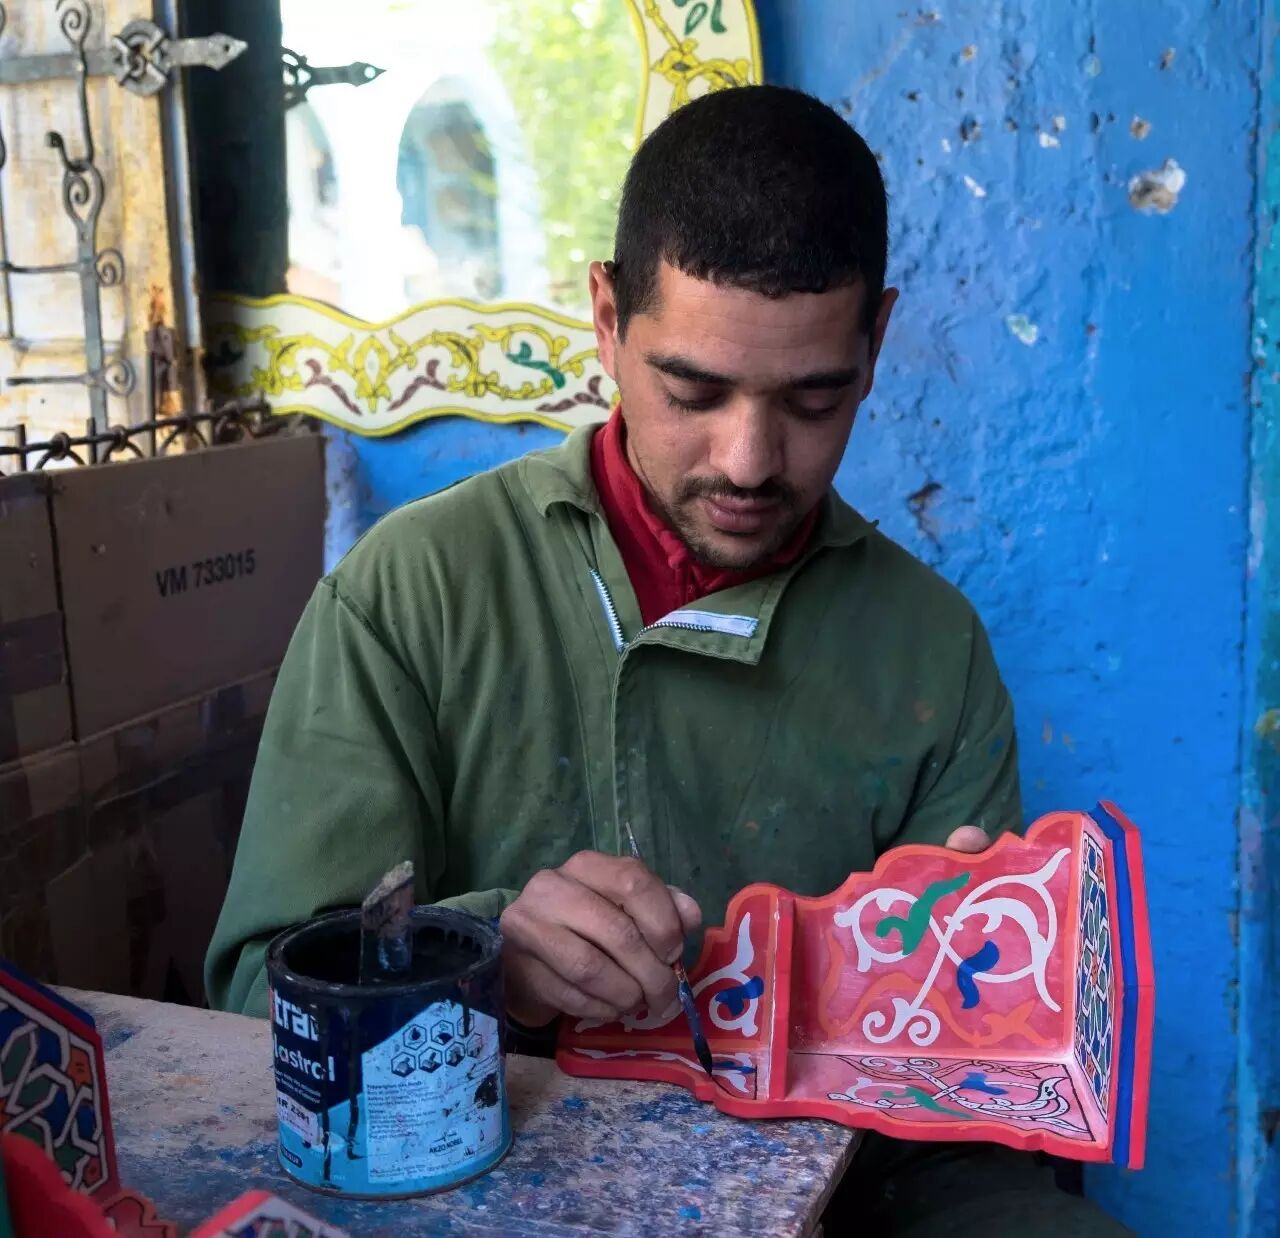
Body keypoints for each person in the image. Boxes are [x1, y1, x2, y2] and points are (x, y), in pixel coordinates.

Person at [207, 85, 1129, 1236]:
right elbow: (254, 1003)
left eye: (813, 398)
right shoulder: (411, 591)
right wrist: (488, 962)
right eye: (691, 390)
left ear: (875, 341)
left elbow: (961, 1101)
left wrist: (969, 1005)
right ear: (606, 317)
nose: (748, 459)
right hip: (476, 1192)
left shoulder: (928, 649)